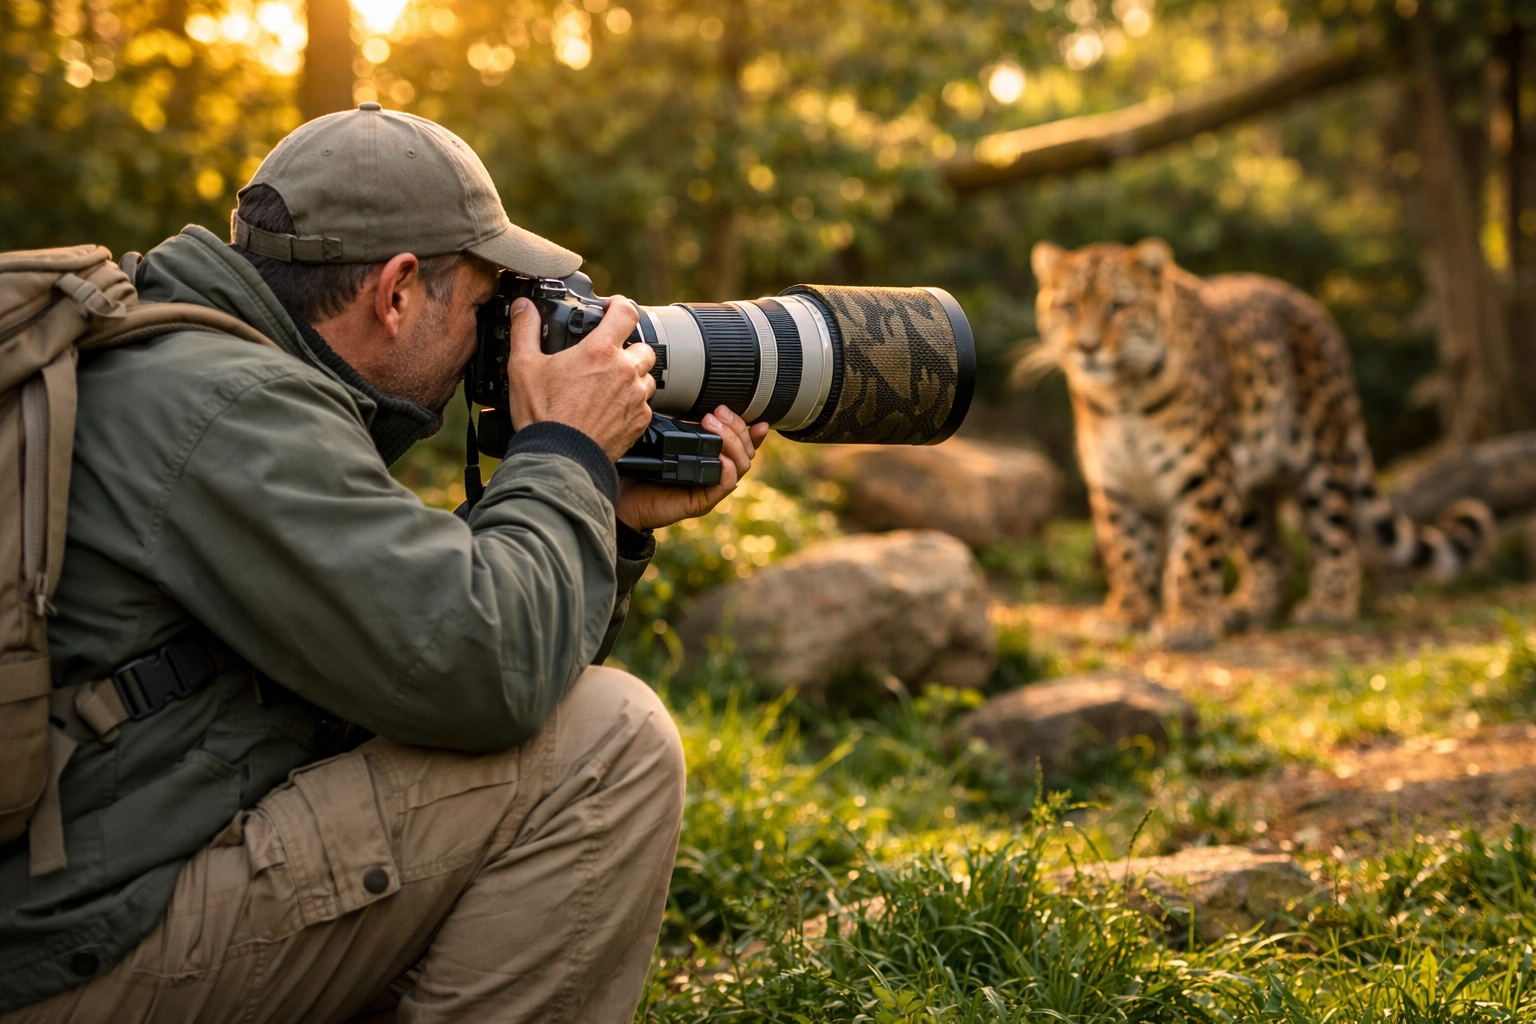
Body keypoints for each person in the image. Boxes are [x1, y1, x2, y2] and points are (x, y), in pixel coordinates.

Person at [0, 103, 769, 1024]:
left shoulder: (178, 356)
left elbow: (407, 634)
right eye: (483, 307)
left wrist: (603, 511)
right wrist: (565, 450)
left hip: (76, 879)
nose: (493, 341)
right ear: (397, 292)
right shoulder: (231, 409)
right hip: (68, 956)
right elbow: (486, 664)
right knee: (611, 743)